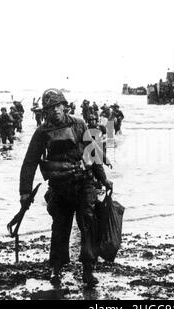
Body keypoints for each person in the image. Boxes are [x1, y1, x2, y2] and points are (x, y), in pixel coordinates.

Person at [19, 88, 113, 286]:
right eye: (50, 108)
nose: (55, 111)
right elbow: (30, 162)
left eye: (58, 106)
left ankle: (88, 269)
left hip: (83, 183)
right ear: (46, 111)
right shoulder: (42, 132)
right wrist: (25, 192)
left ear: (64, 106)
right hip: (59, 186)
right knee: (60, 227)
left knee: (88, 223)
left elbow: (91, 153)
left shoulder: (79, 124)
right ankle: (56, 268)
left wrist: (103, 179)